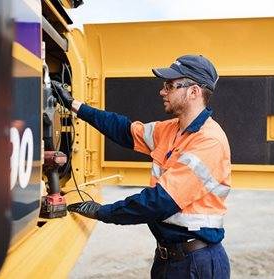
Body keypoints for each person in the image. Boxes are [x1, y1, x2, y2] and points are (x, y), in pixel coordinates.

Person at [65, 55, 231, 279]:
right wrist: (75, 106)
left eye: (170, 86)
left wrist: (103, 212)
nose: (162, 92)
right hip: (169, 259)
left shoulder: (209, 141)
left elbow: (159, 202)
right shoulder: (170, 129)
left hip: (196, 263)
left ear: (194, 92)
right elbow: (124, 130)